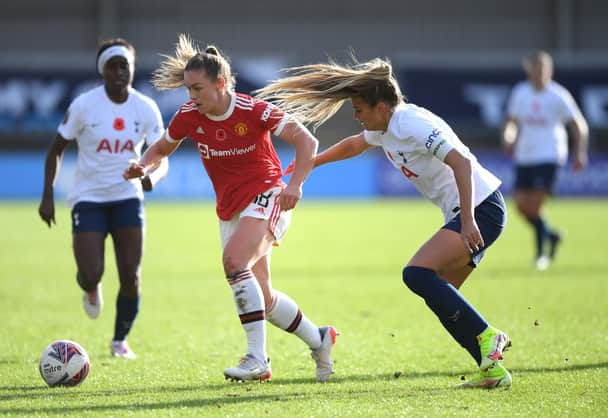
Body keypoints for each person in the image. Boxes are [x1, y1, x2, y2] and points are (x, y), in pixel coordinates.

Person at [256, 57, 512, 389]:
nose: (356, 116)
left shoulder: (409, 122)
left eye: (359, 109)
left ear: (381, 106)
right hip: (470, 211)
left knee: (417, 273)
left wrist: (466, 220)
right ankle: (491, 370)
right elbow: (353, 145)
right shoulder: (384, 127)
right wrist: (312, 162)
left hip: (481, 209)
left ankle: (488, 336)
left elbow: (461, 161)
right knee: (440, 296)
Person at [123, 34, 338, 382]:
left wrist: (296, 185)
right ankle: (320, 338)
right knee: (264, 301)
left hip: (269, 195)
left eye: (197, 89)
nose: (191, 97)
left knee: (234, 262)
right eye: (188, 90)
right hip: (231, 208)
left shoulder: (252, 111)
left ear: (220, 84)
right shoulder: (189, 115)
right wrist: (142, 165)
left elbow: (306, 140)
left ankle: (257, 359)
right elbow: (161, 148)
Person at [39, 38, 169, 359]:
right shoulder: (85, 105)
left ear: (132, 69)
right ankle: (90, 285)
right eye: (112, 66)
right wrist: (47, 195)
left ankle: (119, 341)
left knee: (131, 275)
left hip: (128, 198)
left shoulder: (146, 108)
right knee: (92, 271)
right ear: (102, 72)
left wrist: (151, 177)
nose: (118, 72)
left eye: (124, 65)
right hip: (89, 199)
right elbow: (57, 148)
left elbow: (162, 155)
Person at [501, 50, 589, 270]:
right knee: (521, 205)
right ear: (530, 71)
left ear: (550, 72)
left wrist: (580, 152)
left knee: (536, 203)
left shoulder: (558, 95)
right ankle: (551, 235)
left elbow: (579, 125)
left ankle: (541, 255)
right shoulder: (520, 92)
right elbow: (511, 121)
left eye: (544, 70)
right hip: (525, 155)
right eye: (536, 70)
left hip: (550, 155)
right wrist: (508, 137)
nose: (540, 75)